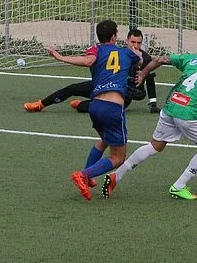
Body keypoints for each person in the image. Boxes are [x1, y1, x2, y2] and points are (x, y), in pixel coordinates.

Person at [101, 31, 197, 201]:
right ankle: (179, 186)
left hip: (170, 107)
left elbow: (160, 59)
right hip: (188, 113)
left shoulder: (192, 58)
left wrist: (144, 73)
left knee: (155, 146)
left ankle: (116, 176)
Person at [46, 19, 141, 201]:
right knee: (118, 157)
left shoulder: (95, 49)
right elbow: (141, 59)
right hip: (113, 108)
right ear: (114, 36)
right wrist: (135, 50)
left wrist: (60, 57)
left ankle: (87, 176)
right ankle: (84, 175)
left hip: (95, 106)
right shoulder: (126, 52)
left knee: (105, 139)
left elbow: (88, 61)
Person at [23, 28, 160, 114]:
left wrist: (152, 103)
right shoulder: (117, 52)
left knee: (86, 108)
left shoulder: (143, 57)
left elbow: (149, 77)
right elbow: (91, 62)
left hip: (120, 95)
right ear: (126, 41)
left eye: (139, 43)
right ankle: (41, 104)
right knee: (72, 88)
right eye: (133, 42)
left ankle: (83, 104)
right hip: (102, 85)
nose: (136, 46)